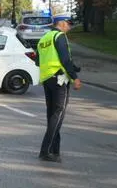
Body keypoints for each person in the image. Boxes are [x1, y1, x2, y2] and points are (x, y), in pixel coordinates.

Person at [36, 13, 82, 163]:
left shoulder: (44, 38)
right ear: (61, 23)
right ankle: (46, 151)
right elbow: (64, 59)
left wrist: (74, 67)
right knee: (58, 114)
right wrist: (75, 77)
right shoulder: (60, 37)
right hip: (59, 79)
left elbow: (38, 61)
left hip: (47, 79)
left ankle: (55, 150)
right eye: (68, 24)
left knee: (52, 115)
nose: (69, 26)